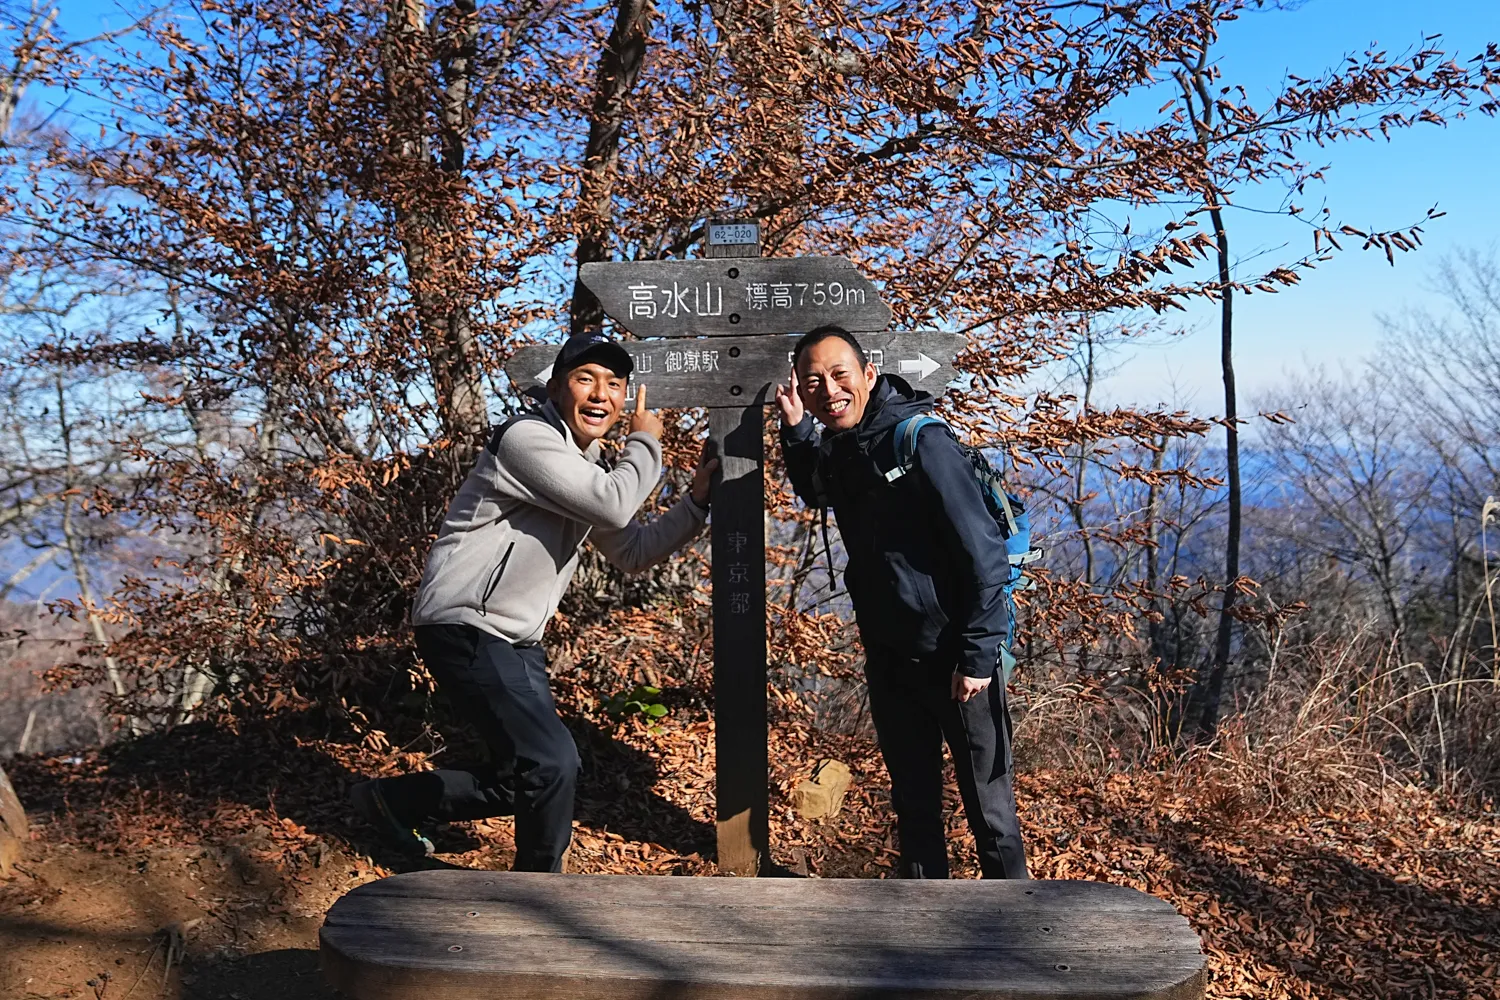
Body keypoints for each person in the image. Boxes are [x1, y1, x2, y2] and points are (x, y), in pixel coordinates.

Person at [351, 333, 716, 872]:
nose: (601, 394)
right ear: (558, 387)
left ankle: (392, 802)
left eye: (614, 384)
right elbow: (614, 506)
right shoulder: (528, 439)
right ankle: (540, 895)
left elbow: (633, 551)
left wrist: (698, 501)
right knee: (552, 762)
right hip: (466, 622)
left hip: (516, 639)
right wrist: (645, 442)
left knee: (529, 776)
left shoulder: (580, 463)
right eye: (585, 378)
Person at [775, 325, 1028, 879]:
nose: (828, 390)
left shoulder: (921, 442)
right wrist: (796, 431)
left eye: (840, 374)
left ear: (869, 374)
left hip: (956, 661)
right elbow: (817, 491)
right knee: (914, 807)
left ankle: (1020, 943)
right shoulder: (843, 446)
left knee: (990, 814)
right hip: (891, 659)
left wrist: (978, 656)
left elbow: (984, 553)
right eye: (813, 380)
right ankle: (924, 945)